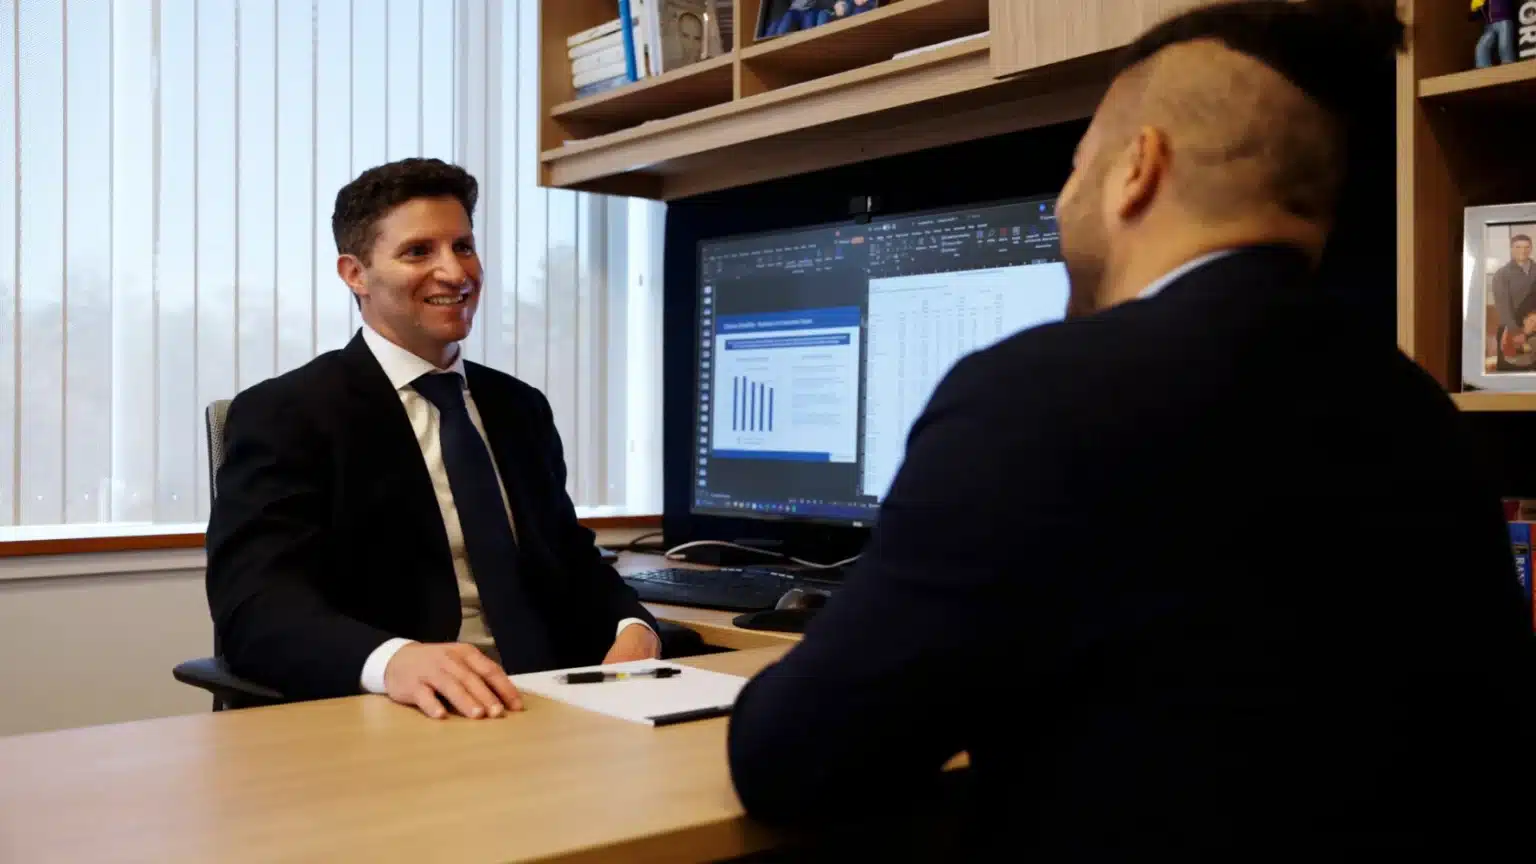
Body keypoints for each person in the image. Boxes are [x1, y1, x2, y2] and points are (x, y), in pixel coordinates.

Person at [728, 1, 1536, 856]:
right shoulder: (1425, 416)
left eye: (1076, 170)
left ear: (1137, 169)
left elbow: (793, 761)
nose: (1060, 205)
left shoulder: (1039, 394)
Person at [206, 158, 660, 720]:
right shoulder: (287, 413)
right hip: (407, 713)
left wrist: (633, 627)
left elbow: (568, 559)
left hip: (554, 704)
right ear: (355, 274)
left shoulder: (519, 408)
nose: (455, 272)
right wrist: (394, 661)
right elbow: (256, 607)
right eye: (419, 252)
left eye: (464, 247)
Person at [1493, 233, 1536, 334]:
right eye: (1518, 247)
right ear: (1511, 249)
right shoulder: (1501, 274)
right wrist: (1515, 330)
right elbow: (1503, 306)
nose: (1523, 251)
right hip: (1513, 327)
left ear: (1531, 249)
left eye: (1527, 247)